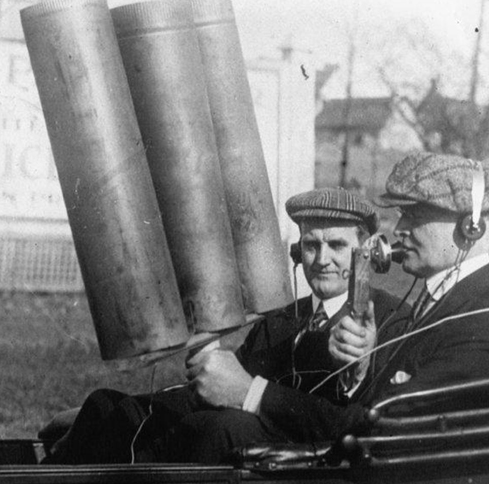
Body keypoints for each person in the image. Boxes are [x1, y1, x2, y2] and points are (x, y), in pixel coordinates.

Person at [169, 151, 489, 463]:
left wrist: (250, 393)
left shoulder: (488, 327)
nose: (400, 229)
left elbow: (374, 428)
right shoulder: (449, 303)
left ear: (470, 227)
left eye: (416, 216)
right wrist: (361, 369)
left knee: (219, 432)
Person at [44, 188, 397, 463]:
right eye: (310, 245)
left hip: (301, 458)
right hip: (241, 431)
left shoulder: (390, 318)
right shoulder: (282, 320)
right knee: (108, 405)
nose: (322, 260)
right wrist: (207, 366)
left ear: (365, 248)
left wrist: (247, 391)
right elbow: (225, 384)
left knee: (208, 428)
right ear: (296, 251)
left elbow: (357, 419)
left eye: (336, 245)